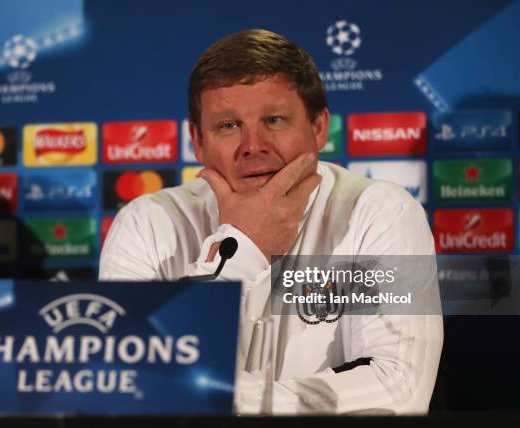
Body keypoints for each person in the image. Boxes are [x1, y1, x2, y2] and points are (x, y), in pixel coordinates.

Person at [99, 29, 443, 415]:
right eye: (228, 125)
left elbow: (398, 389)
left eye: (274, 119)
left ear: (318, 127)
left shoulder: (379, 211)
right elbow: (132, 386)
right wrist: (243, 245)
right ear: (197, 140)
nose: (253, 146)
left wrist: (221, 400)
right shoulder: (145, 225)